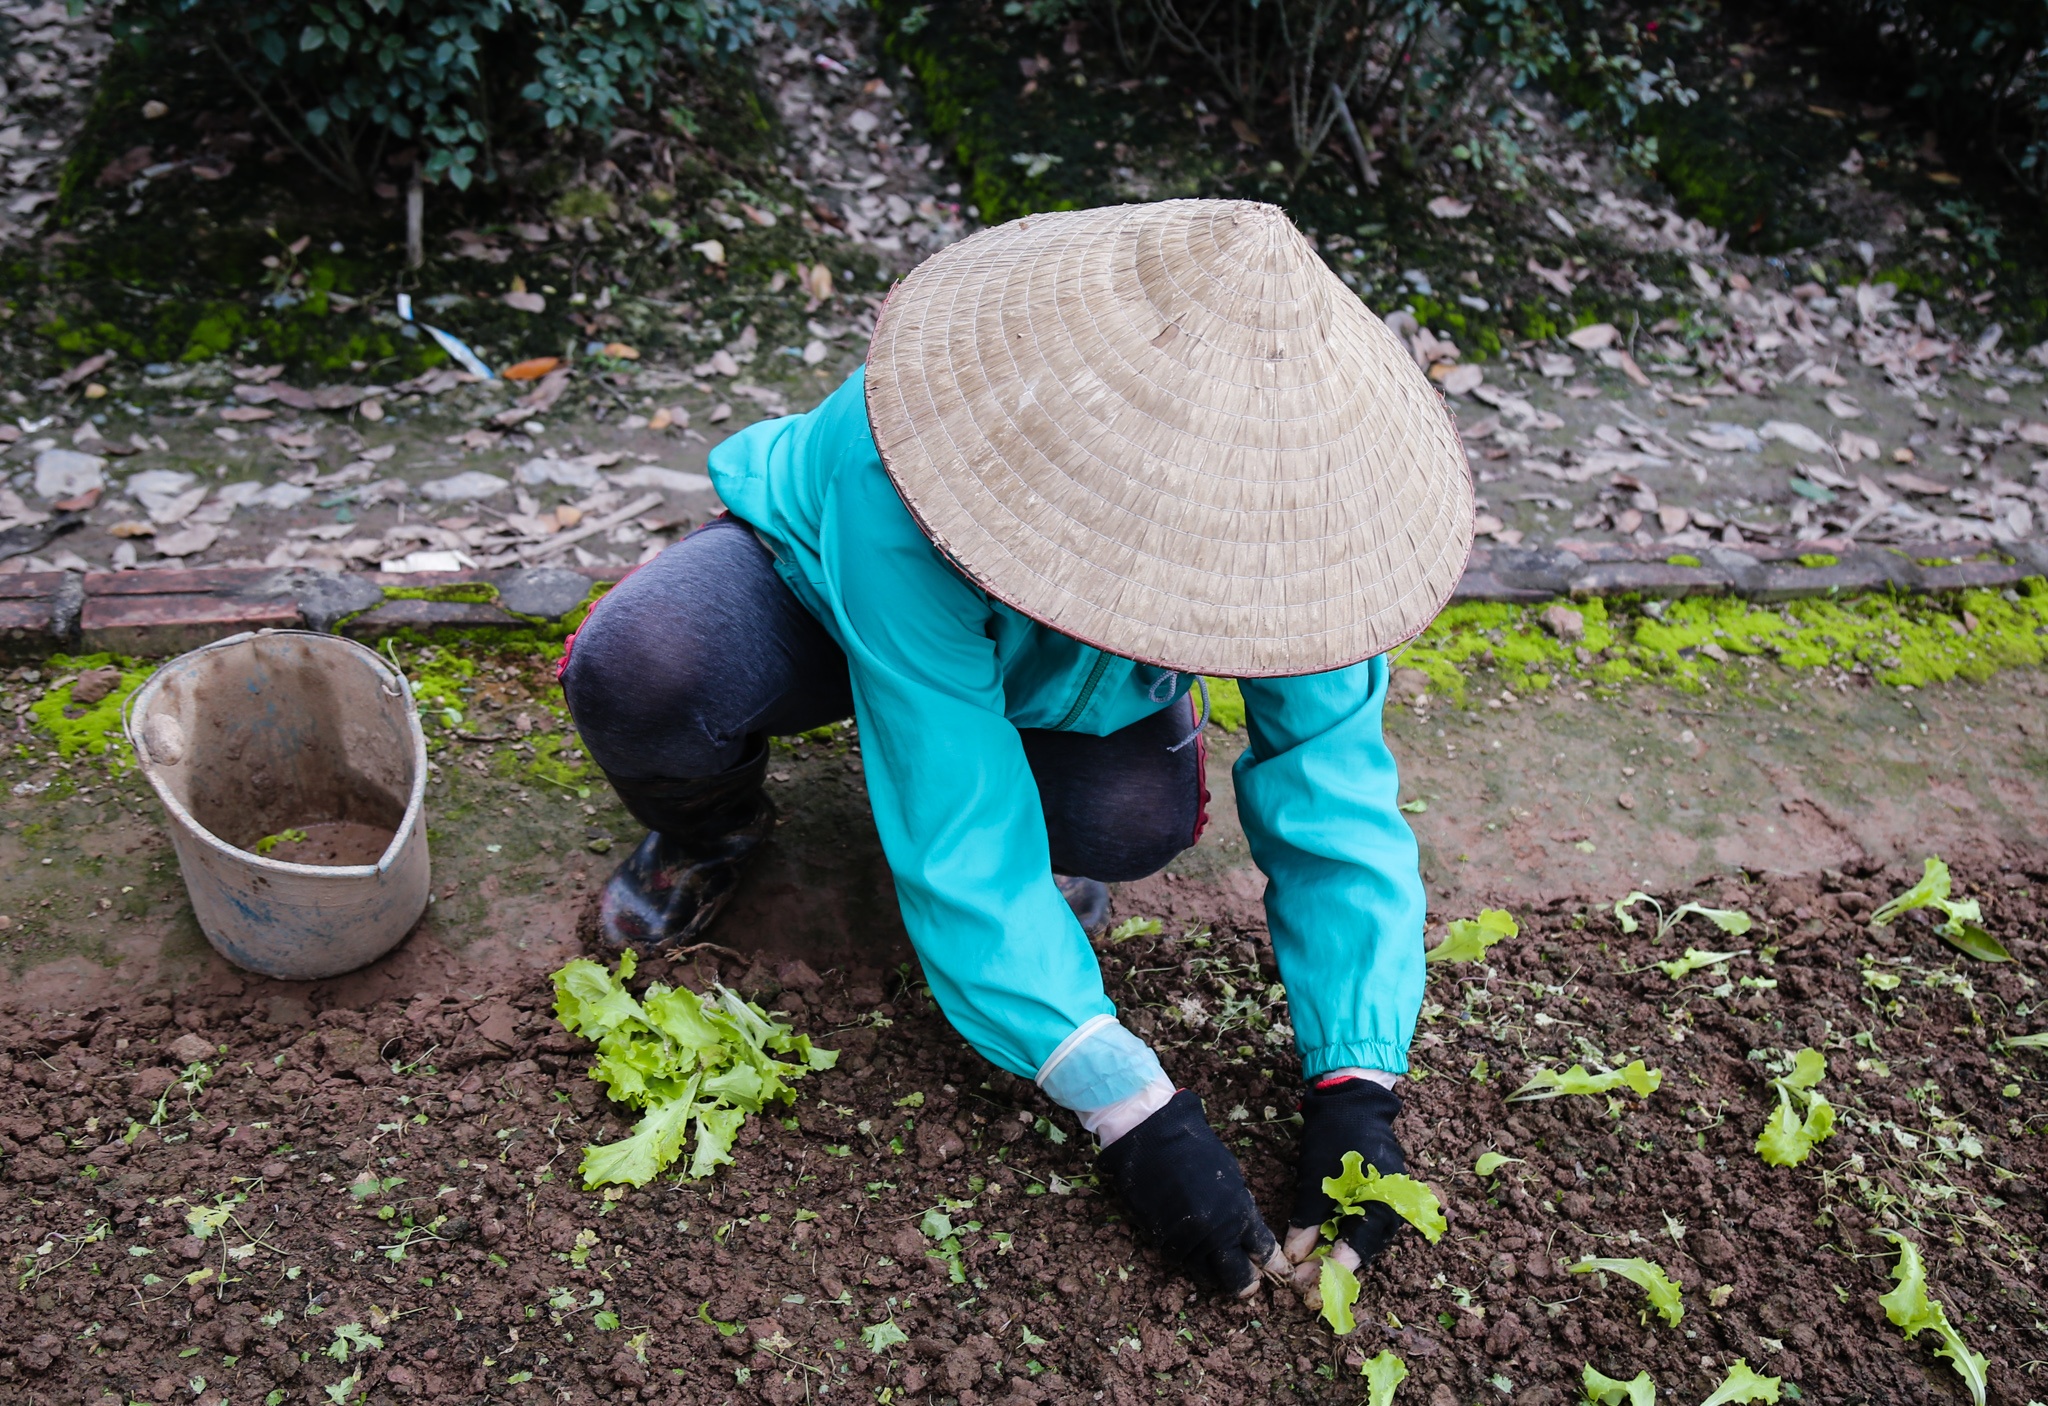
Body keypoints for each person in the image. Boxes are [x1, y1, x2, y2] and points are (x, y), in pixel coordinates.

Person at [559, 199, 1472, 1297]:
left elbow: (1334, 798)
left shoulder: (1300, 514)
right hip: (826, 584)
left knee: (1128, 819)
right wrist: (1127, 1105)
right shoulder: (915, 457)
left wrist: (1357, 1084)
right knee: (647, 668)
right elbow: (953, 821)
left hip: (1072, 680)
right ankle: (714, 824)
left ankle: (1056, 851)